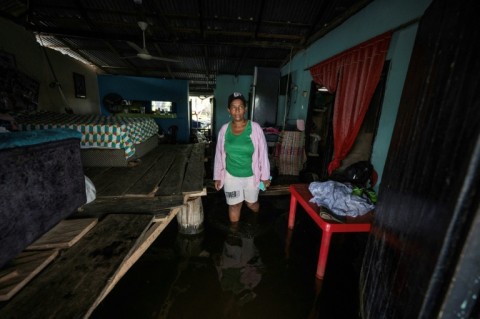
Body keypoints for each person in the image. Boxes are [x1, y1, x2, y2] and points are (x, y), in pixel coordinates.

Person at [213, 92, 271, 225]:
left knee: (251, 203)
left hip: (251, 175)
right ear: (229, 110)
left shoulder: (255, 128)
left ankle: (256, 219)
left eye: (240, 106)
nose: (237, 110)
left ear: (245, 108)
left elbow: (263, 153)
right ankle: (234, 235)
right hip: (230, 175)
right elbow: (219, 154)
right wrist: (217, 176)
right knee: (234, 205)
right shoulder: (224, 130)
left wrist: (265, 176)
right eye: (233, 107)